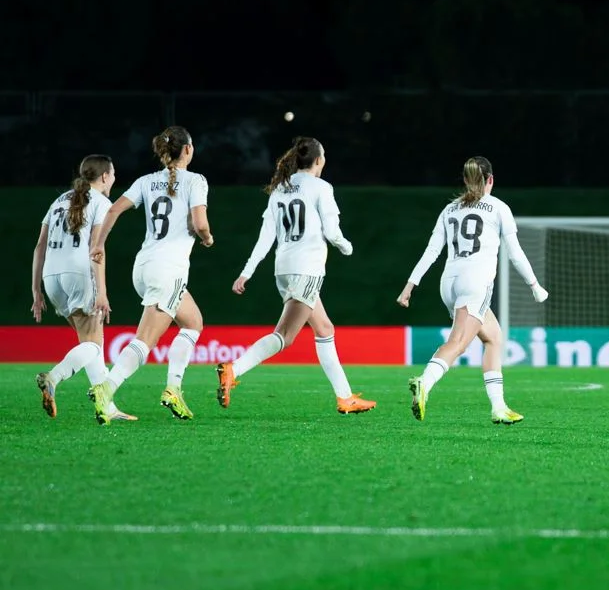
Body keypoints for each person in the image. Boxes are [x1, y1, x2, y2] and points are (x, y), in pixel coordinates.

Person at [217, 136, 375, 414]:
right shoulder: (321, 187)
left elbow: (265, 237)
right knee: (285, 336)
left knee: (325, 329)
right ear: (318, 160)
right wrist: (346, 246)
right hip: (307, 268)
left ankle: (345, 397)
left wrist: (247, 272)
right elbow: (332, 230)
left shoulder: (280, 189)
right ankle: (233, 369)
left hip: (284, 269)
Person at [396, 155, 548, 425]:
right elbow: (515, 254)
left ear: (466, 180)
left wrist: (410, 285)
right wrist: (534, 285)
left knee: (493, 338)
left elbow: (432, 251)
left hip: (449, 283)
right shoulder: (498, 207)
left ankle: (499, 407)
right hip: (475, 283)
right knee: (457, 344)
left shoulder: (450, 209)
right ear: (490, 180)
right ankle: (424, 383)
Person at [88, 125, 213, 422]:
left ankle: (174, 388)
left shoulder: (146, 181)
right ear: (188, 150)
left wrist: (98, 243)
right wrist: (207, 238)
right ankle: (107, 386)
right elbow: (200, 222)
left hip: (143, 267)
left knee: (193, 322)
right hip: (168, 270)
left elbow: (114, 209)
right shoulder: (196, 181)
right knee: (145, 340)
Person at [30, 154, 136, 424]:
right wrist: (101, 291)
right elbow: (96, 250)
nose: (114, 178)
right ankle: (54, 378)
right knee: (92, 343)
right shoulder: (101, 202)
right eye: (112, 174)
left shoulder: (58, 200)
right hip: (79, 273)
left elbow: (39, 246)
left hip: (51, 276)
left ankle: (107, 407)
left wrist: (37, 291)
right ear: (103, 176)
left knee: (91, 343)